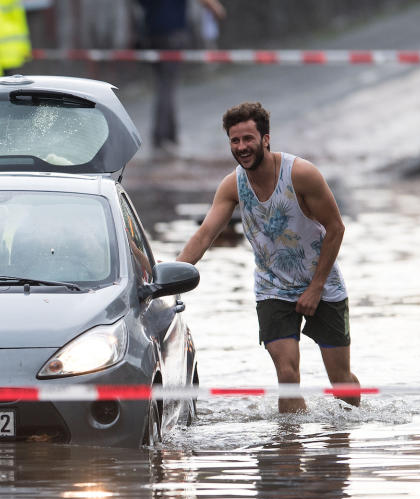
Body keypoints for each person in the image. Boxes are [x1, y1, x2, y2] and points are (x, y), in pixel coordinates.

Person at [176, 102, 360, 413]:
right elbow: (205, 234)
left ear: (266, 139)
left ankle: (344, 441)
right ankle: (290, 451)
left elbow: (336, 228)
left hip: (322, 285)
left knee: (340, 379)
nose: (242, 147)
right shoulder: (233, 184)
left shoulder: (301, 174)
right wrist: (171, 276)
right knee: (287, 376)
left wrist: (315, 288)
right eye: (235, 141)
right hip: (272, 287)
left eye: (248, 139)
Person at [136, 0, 225, 157]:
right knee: (166, 86)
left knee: (165, 85)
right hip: (172, 33)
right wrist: (215, 8)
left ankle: (170, 135)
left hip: (152, 34)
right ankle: (162, 137)